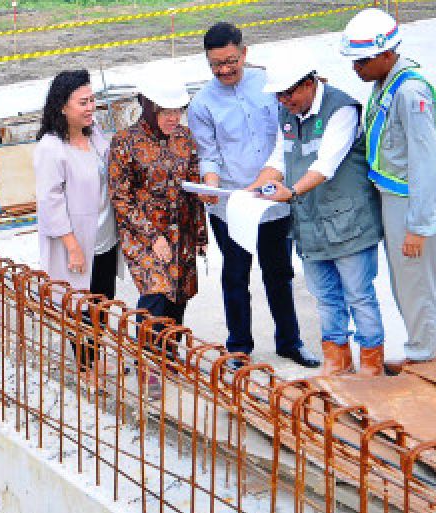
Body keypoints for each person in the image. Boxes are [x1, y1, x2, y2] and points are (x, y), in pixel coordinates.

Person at [188, 22, 320, 369]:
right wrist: (211, 183)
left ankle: (289, 342)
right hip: (231, 206)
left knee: (280, 273)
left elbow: (287, 133)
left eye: (231, 61)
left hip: (273, 201)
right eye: (216, 64)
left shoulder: (270, 85)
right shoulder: (202, 103)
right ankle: (239, 348)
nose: (225, 70)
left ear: (244, 53)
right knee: (235, 276)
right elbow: (208, 152)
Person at [247, 51, 386, 376]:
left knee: (359, 296)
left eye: (289, 93)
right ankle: (337, 360)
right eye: (279, 95)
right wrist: (251, 190)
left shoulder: (342, 109)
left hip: (348, 224)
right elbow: (279, 160)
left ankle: (371, 364)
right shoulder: (286, 113)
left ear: (309, 84)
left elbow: (326, 164)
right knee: (325, 297)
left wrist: (291, 192)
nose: (284, 100)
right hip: (310, 226)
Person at [340, 8, 436, 374]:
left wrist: (420, 226)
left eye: (362, 61)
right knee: (407, 280)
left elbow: (424, 160)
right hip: (397, 197)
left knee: (416, 281)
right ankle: (425, 345)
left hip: (414, 201)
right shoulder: (386, 84)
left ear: (386, 54)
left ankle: (424, 355)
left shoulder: (410, 93)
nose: (356, 69)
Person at [108, 79, 207, 379]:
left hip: (183, 231)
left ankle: (169, 354)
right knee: (156, 292)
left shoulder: (185, 138)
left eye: (178, 110)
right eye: (165, 111)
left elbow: (193, 187)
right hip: (143, 233)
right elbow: (121, 198)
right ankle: (148, 361)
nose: (173, 118)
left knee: (179, 295)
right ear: (148, 108)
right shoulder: (124, 142)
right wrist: (153, 237)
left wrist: (200, 234)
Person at [34, 69, 119, 384]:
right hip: (77, 241)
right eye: (82, 102)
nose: (89, 107)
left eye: (92, 99)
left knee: (101, 301)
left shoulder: (94, 134)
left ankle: (95, 359)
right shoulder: (51, 147)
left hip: (104, 236)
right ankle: (85, 368)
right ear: (62, 106)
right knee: (79, 306)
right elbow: (50, 201)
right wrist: (72, 246)